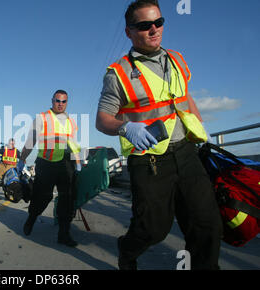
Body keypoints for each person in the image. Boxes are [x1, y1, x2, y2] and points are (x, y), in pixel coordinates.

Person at [95, 0, 222, 269]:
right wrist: (125, 127)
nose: (154, 29)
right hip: (149, 160)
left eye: (159, 22)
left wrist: (200, 132)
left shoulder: (176, 59)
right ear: (129, 32)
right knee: (153, 229)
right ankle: (127, 250)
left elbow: (185, 98)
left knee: (206, 224)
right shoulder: (118, 73)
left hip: (187, 152)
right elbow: (102, 119)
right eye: (144, 25)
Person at [19, 89, 82, 247]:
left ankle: (64, 234)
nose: (60, 104)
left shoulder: (71, 122)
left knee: (67, 199)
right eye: (57, 101)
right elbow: (31, 140)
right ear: (52, 101)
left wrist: (79, 162)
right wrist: (22, 159)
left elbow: (73, 143)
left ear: (67, 103)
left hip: (67, 164)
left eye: (64, 101)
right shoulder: (42, 118)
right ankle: (32, 218)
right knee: (43, 196)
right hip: (46, 163)